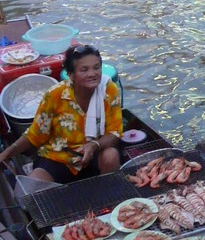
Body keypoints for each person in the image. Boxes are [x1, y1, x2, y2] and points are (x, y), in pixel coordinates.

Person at [0, 46, 121, 184]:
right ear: (71, 75)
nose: (92, 74)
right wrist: (6, 154)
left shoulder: (108, 89)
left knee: (111, 156)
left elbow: (115, 132)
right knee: (34, 182)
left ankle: (109, 195)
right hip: (58, 157)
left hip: (93, 154)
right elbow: (34, 135)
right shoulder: (55, 95)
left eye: (96, 67)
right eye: (84, 70)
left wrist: (94, 145)